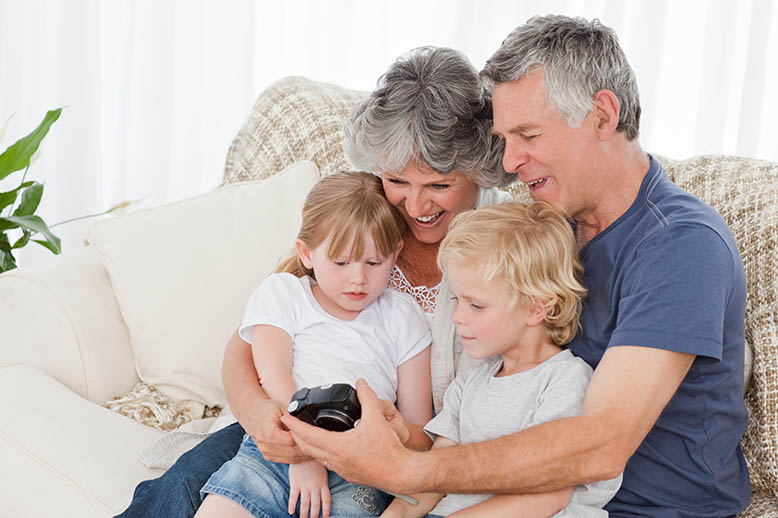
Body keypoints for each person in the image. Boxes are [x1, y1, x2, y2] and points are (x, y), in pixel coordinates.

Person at [283, 15, 751, 517]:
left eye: (528, 134)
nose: (508, 162)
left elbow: (599, 445)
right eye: (506, 138)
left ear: (602, 115)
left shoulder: (681, 245)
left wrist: (408, 470)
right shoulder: (545, 228)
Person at [116, 46, 512, 518]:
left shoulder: (504, 244)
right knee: (178, 491)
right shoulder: (358, 215)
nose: (414, 205)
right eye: (397, 180)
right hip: (280, 419)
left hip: (392, 450)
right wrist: (270, 421)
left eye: (440, 185)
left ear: (479, 168)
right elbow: (246, 347)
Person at [192, 171, 433, 518]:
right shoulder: (285, 294)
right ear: (306, 253)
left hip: (359, 470)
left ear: (396, 253)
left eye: (374, 262)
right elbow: (272, 373)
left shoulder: (403, 317)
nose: (358, 278)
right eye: (341, 262)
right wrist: (303, 454)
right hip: (278, 451)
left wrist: (394, 432)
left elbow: (419, 431)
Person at [381, 201, 621, 518]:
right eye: (455, 300)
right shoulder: (468, 386)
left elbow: (547, 497)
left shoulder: (565, 381)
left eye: (476, 305)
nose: (457, 317)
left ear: (536, 309)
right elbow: (434, 478)